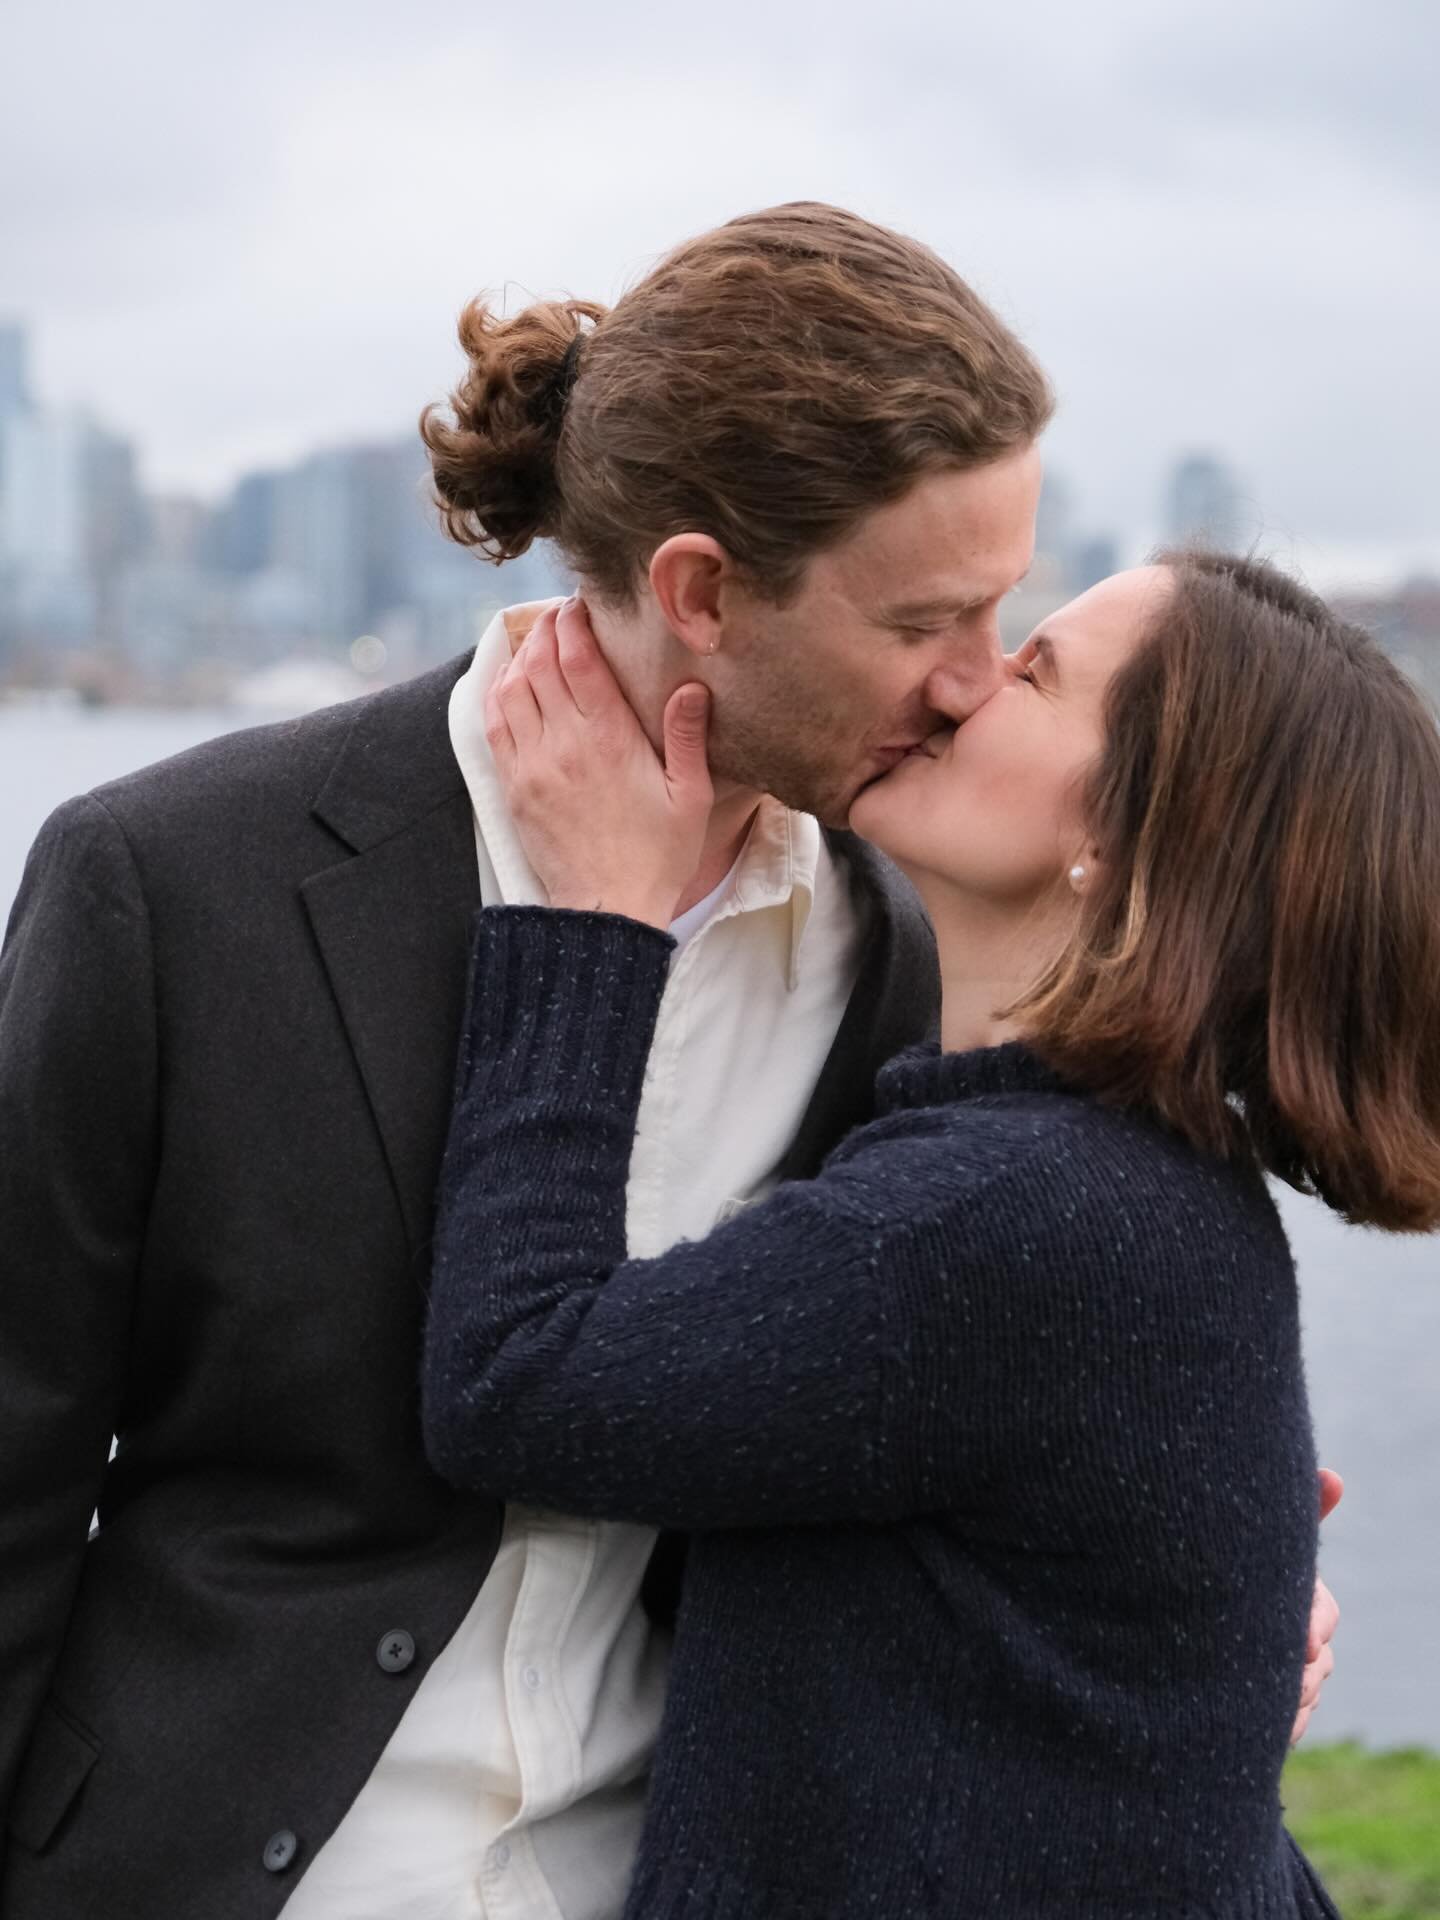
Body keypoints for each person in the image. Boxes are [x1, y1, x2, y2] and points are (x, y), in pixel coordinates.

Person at [0, 203, 1336, 1920]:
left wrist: (1197, 1562)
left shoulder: (908, 950)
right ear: (703, 592)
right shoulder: (175, 880)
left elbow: (909, 1398)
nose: (970, 684)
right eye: (926, 618)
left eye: (1004, 614)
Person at [423, 556, 1440, 1916]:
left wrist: (586, 924)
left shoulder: (1005, 1219)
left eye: (1034, 673)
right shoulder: (1123, 1181)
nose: (964, 679)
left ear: (1125, 837)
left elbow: (514, 1381)